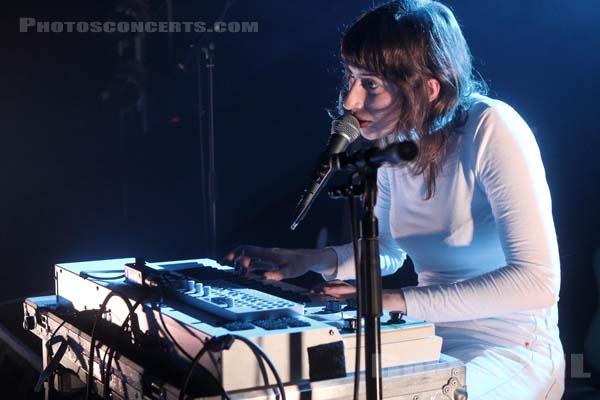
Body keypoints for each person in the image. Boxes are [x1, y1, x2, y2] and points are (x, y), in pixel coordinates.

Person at [223, 1, 565, 398]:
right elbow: (387, 249)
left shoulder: (491, 127)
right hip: (423, 334)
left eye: (370, 84)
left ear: (428, 88)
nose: (349, 101)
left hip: (509, 347)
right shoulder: (392, 142)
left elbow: (537, 282)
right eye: (350, 78)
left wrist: (389, 300)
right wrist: (309, 260)